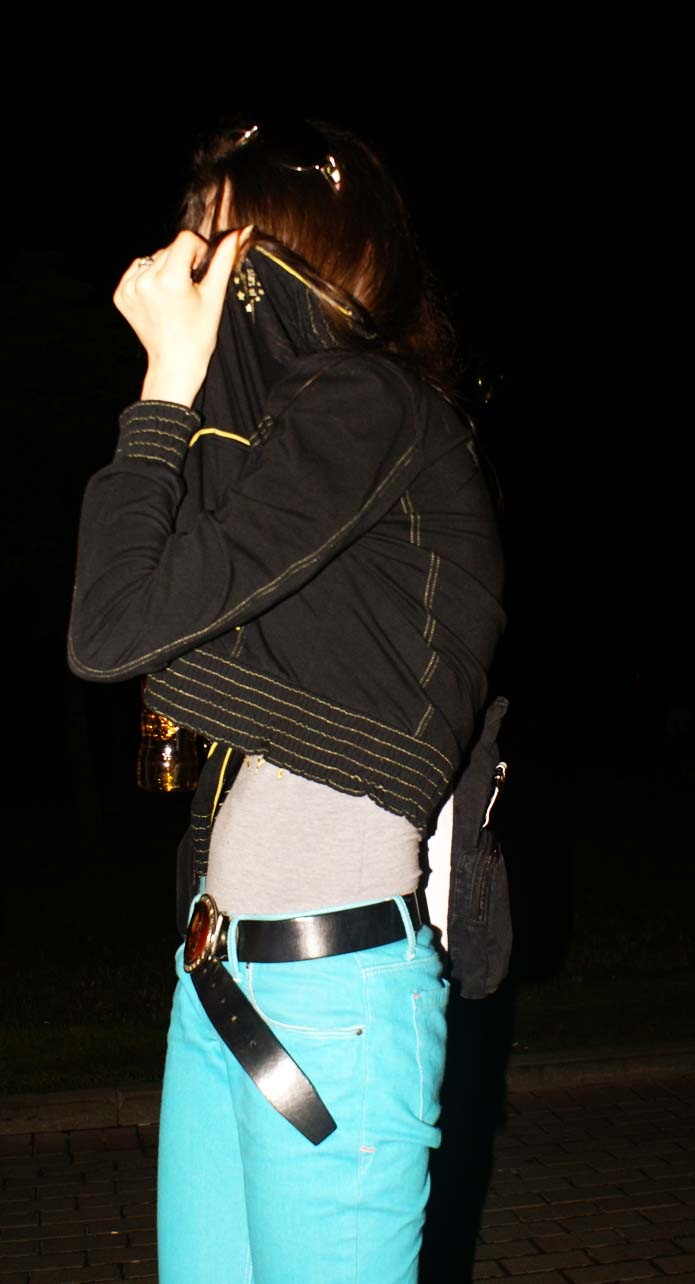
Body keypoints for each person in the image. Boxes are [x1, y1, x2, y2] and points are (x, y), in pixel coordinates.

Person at [68, 115, 505, 1284]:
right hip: (217, 979)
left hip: (333, 996)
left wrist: (164, 381)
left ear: (289, 260)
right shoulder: (280, 446)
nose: (186, 272)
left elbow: (108, 628)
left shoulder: (373, 410)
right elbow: (132, 598)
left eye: (216, 247)